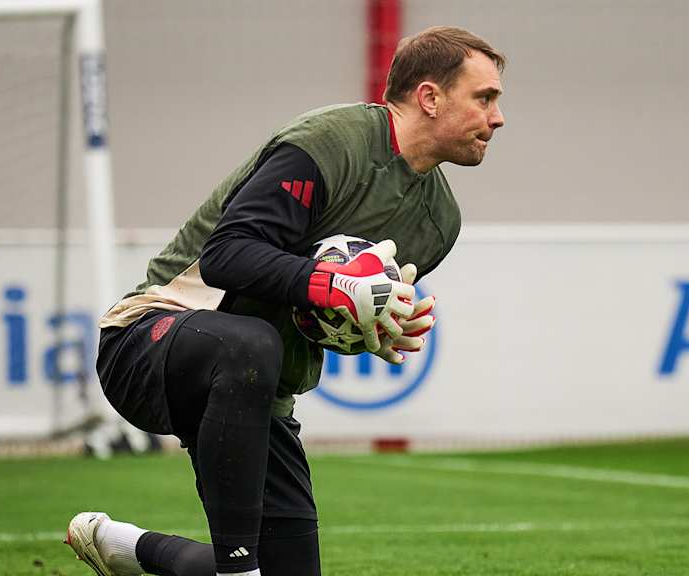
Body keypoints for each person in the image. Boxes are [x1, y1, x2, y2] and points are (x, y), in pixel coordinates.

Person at [65, 25, 505, 576]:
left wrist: (372, 323)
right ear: (430, 97)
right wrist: (337, 285)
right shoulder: (332, 140)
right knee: (253, 345)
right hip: (150, 338)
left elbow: (314, 319)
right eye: (484, 97)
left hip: (258, 387)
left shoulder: (438, 222)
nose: (498, 117)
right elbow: (226, 255)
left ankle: (128, 548)